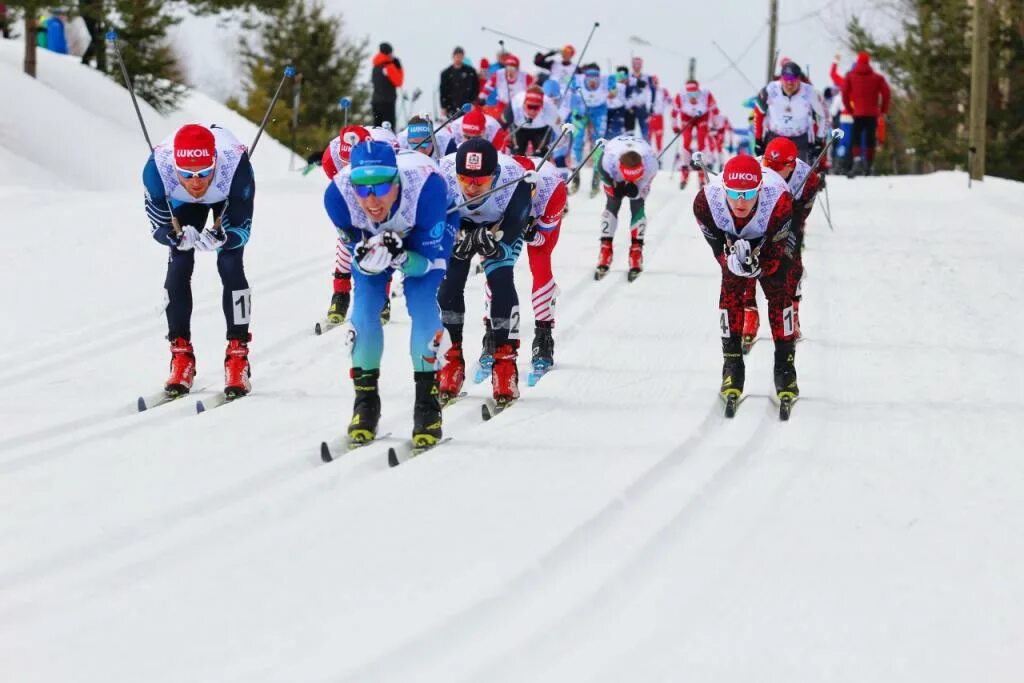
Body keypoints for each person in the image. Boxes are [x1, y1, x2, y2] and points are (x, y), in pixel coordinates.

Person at [323, 141, 457, 449]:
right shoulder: (337, 196)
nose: (371, 199)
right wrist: (369, 258)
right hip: (375, 240)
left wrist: (401, 257)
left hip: (427, 227)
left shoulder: (428, 189)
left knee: (422, 303)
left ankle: (427, 406)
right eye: (362, 187)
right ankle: (365, 403)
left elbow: (423, 265)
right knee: (364, 309)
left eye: (381, 186)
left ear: (396, 181)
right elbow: (358, 257)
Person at [143, 124, 255, 399]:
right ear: (175, 168)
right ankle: (181, 355)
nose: (196, 182)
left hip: (225, 196)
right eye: (188, 174)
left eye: (204, 173)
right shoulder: (157, 170)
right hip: (181, 202)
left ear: (215, 163)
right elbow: (157, 228)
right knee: (179, 261)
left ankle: (238, 355)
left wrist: (224, 238)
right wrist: (175, 237)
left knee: (230, 263)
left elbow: (243, 230)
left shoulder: (235, 168)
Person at [692, 155, 800, 407]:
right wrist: (727, 260)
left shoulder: (779, 201)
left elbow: (776, 260)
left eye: (749, 194)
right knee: (730, 292)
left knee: (779, 292)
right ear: (724, 188)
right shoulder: (705, 203)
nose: (741, 202)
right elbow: (717, 248)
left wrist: (758, 268)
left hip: (771, 236)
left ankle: (785, 368)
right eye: (734, 193)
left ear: (760, 189)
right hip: (731, 239)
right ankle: (732, 366)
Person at [437, 139, 534, 407]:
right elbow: (432, 221)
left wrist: (493, 237)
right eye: (464, 178)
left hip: (500, 225)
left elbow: (514, 226)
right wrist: (457, 236)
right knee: (449, 281)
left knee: (501, 278)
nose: (470, 186)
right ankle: (451, 359)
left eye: (479, 181)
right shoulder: (441, 174)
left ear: (495, 175)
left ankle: (504, 365)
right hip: (456, 223)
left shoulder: (515, 179)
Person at [742, 136, 823, 346]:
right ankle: (749, 312)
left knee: (791, 261)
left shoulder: (807, 179)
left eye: (777, 167)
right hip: (757, 218)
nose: (770, 170)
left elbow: (800, 218)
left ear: (791, 165)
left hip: (788, 220)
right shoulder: (754, 167)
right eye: (768, 164)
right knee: (746, 260)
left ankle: (792, 312)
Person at [320, 124, 371, 325]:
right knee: (346, 238)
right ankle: (340, 294)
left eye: (354, 163)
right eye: (345, 163)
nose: (349, 168)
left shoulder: (379, 150)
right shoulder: (330, 159)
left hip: (376, 187)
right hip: (350, 193)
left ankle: (380, 295)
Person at [593, 134, 658, 281]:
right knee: (612, 203)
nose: (633, 178)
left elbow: (641, 189)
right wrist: (614, 185)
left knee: (637, 205)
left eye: (636, 175)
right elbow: (601, 171)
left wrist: (634, 187)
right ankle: (605, 250)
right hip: (615, 173)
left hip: (639, 172)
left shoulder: (651, 165)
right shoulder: (608, 161)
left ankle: (636, 251)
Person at [753, 62, 826, 163]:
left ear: (799, 79)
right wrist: (758, 140)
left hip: (799, 140)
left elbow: (822, 117)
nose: (789, 83)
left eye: (793, 79)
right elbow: (758, 114)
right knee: (772, 172)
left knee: (799, 174)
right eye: (786, 79)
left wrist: (819, 140)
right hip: (775, 138)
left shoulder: (810, 92)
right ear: (781, 78)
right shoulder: (770, 90)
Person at [841, 51, 891, 177]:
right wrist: (883, 110)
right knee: (870, 139)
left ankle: (857, 161)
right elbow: (886, 93)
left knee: (855, 137)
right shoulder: (877, 78)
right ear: (868, 63)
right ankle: (868, 165)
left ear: (857, 62)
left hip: (857, 113)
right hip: (872, 113)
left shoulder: (850, 76)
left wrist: (850, 109)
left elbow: (844, 94)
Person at [568, 65, 609, 195]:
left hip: (599, 111)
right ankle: (575, 178)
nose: (593, 83)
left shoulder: (606, 80)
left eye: (595, 80)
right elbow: (563, 82)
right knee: (577, 141)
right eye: (590, 80)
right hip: (580, 109)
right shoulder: (577, 79)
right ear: (585, 78)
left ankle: (596, 180)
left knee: (598, 143)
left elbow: (623, 78)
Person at [671, 79, 717, 188]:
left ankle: (701, 172)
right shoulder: (680, 96)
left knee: (701, 141)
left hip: (702, 116)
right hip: (686, 116)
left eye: (695, 93)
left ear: (699, 91)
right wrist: (674, 126)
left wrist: (714, 125)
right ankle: (685, 169)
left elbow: (714, 110)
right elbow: (674, 112)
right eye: (690, 94)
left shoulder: (706, 94)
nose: (693, 97)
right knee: (686, 140)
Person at [509, 85, 559, 156]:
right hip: (520, 128)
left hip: (541, 129)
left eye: (536, 108)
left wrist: (550, 146)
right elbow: (502, 124)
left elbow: (562, 134)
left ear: (542, 106)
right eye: (530, 107)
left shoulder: (549, 107)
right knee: (517, 154)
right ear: (524, 104)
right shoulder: (515, 104)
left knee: (542, 154)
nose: (532, 111)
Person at [439, 46, 479, 118]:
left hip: (467, 105)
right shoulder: (446, 73)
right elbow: (443, 91)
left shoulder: (470, 71)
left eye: (460, 56)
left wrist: (473, 101)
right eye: (457, 56)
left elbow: (476, 87)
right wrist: (443, 107)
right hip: (451, 106)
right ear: (453, 57)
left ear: (463, 57)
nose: (458, 58)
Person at [371, 42, 404, 127]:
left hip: (376, 101)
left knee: (377, 129)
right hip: (387, 102)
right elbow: (399, 82)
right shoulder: (388, 66)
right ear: (389, 52)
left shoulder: (376, 66)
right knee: (388, 129)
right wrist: (399, 68)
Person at [625, 56, 655, 138]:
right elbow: (624, 90)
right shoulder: (628, 77)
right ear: (632, 65)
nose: (637, 66)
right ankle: (629, 147)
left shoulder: (647, 77)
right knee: (629, 131)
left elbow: (652, 90)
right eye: (635, 64)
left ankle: (646, 147)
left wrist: (651, 105)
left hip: (642, 107)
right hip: (630, 107)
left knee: (645, 130)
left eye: (639, 64)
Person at [647, 75, 669, 155]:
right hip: (649, 117)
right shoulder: (646, 91)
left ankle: (659, 157)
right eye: (652, 82)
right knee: (647, 137)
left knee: (659, 138)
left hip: (659, 117)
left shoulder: (662, 91)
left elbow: (669, 101)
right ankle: (647, 155)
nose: (654, 84)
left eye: (656, 82)